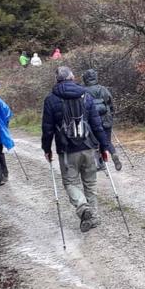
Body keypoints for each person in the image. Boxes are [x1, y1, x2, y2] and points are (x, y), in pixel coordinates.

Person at [41, 66, 111, 232]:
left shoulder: (51, 99)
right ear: (72, 78)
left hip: (66, 150)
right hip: (89, 147)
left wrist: (47, 148)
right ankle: (92, 215)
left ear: (57, 79)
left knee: (70, 182)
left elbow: (47, 128)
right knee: (90, 183)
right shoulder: (85, 95)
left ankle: (82, 207)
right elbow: (96, 124)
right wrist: (104, 146)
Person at [82, 69, 122, 171]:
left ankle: (100, 163)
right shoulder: (103, 89)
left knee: (95, 142)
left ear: (85, 79)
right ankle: (114, 155)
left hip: (93, 121)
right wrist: (111, 115)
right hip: (106, 118)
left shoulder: (83, 91)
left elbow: (83, 107)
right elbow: (110, 103)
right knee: (107, 141)